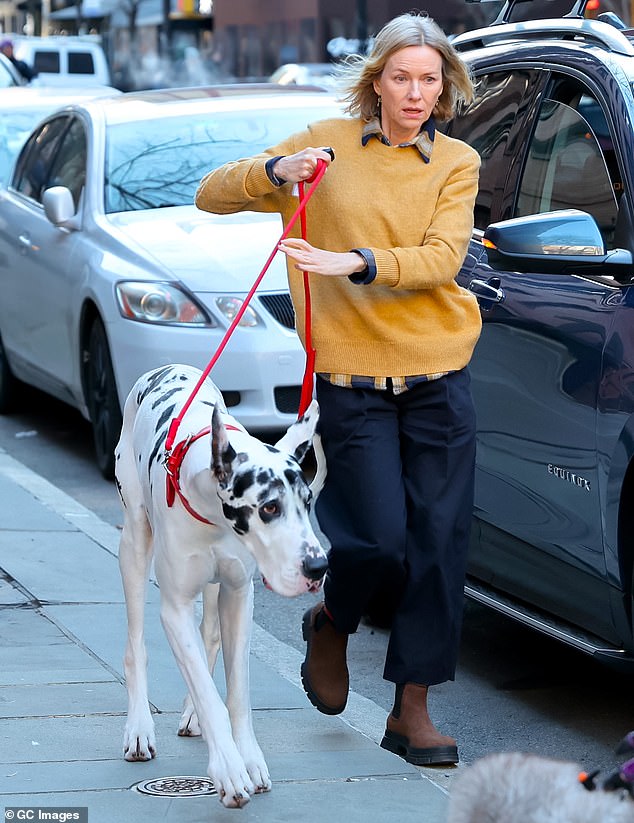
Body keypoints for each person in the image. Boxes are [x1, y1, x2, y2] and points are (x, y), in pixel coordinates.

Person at [195, 11, 481, 767]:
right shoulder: (323, 146)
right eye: (401, 77)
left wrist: (354, 262)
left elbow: (442, 258)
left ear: (443, 85)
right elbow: (210, 194)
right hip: (351, 381)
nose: (415, 93)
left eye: (429, 79)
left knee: (439, 544)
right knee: (378, 537)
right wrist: (274, 174)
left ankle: (412, 708)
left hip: (438, 377)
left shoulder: (455, 161)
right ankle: (332, 620)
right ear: (376, 82)